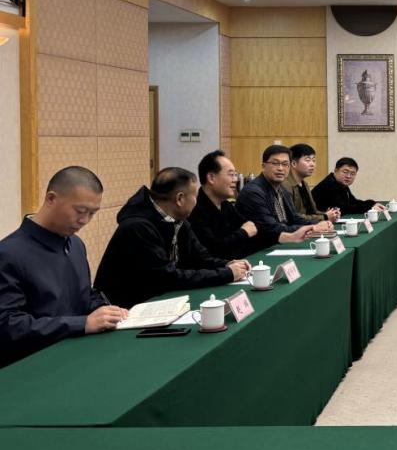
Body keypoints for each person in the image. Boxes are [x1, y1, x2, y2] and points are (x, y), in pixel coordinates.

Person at [0, 167, 129, 368]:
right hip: (33, 365)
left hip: (78, 355)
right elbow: (8, 325)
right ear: (51, 199)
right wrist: (82, 323)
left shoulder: (75, 244)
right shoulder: (9, 253)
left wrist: (105, 310)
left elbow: (84, 294)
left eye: (92, 214)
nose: (84, 221)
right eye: (80, 211)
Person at [94, 168, 250, 309]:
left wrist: (228, 265)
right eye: (195, 196)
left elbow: (200, 257)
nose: (197, 201)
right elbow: (166, 277)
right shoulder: (137, 228)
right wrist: (226, 274)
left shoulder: (178, 220)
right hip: (125, 309)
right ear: (180, 199)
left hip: (158, 301)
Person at [190, 150, 311, 259]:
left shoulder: (225, 205)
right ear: (211, 178)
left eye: (235, 174)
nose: (235, 180)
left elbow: (255, 229)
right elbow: (214, 249)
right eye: (231, 174)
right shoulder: (195, 209)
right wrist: (243, 232)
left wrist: (291, 237)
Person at [235, 145, 333, 239]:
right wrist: (313, 228)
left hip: (280, 240)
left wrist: (320, 223)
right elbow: (271, 228)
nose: (280, 168)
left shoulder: (281, 189)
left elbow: (294, 218)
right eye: (275, 163)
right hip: (260, 246)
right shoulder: (253, 192)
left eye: (285, 164)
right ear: (263, 166)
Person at [282, 144, 340, 225]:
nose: (312, 164)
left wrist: (330, 214)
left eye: (313, 160)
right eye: (308, 160)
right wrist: (325, 217)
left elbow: (312, 211)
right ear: (294, 163)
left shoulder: (304, 184)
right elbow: (293, 217)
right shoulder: (285, 185)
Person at [312, 157, 385, 216]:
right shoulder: (329, 184)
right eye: (345, 172)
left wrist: (372, 203)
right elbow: (343, 208)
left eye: (352, 173)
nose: (348, 176)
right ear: (336, 170)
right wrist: (370, 208)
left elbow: (353, 202)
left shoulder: (341, 183)